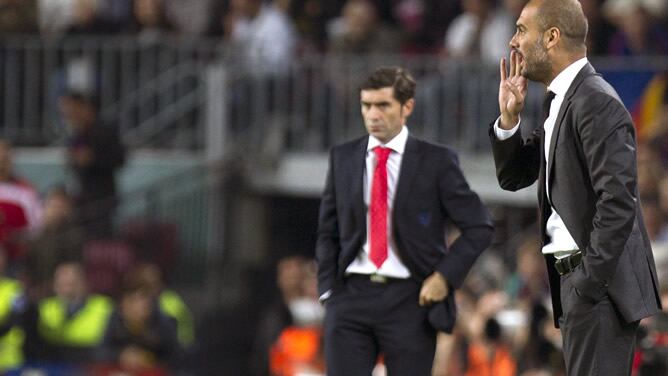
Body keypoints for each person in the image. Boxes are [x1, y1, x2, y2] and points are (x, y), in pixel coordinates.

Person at [488, 0, 662, 374]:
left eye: (521, 30)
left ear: (551, 37)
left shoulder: (595, 100)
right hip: (578, 285)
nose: (513, 41)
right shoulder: (562, 101)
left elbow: (617, 204)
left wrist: (586, 285)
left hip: (597, 288)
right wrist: (508, 118)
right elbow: (514, 175)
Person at [316, 66, 493, 375]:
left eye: (383, 105)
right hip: (350, 296)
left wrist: (443, 277)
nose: (373, 114)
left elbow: (479, 226)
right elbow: (328, 231)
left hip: (410, 299)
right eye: (366, 105)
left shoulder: (436, 161)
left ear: (407, 106)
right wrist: (328, 290)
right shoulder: (343, 157)